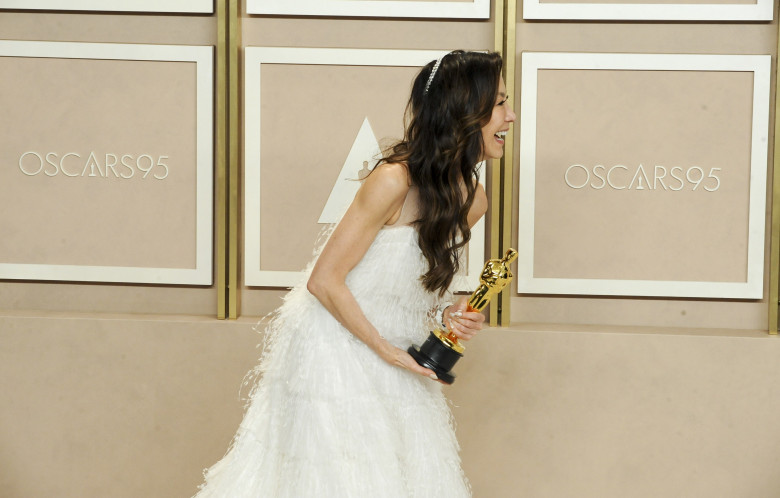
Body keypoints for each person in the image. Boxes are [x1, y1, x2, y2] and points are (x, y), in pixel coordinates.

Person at [194, 50, 516, 498]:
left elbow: (415, 291)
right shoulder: (392, 180)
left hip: (398, 352)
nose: (511, 115)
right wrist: (385, 351)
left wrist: (452, 315)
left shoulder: (473, 199)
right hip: (334, 345)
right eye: (500, 103)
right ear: (465, 109)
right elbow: (324, 280)